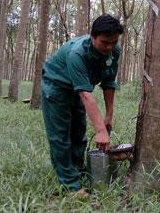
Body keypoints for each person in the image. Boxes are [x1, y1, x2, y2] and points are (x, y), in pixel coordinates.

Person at [41, 14, 123, 195]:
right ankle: (70, 186)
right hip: (57, 86)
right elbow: (86, 95)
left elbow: (109, 83)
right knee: (60, 136)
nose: (109, 47)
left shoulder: (115, 50)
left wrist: (108, 116)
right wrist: (101, 130)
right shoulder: (77, 53)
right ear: (92, 36)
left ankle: (77, 171)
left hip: (79, 88)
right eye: (104, 42)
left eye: (114, 42)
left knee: (79, 133)